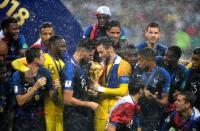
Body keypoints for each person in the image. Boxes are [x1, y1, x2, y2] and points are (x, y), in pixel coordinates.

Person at [12, 35, 67, 131]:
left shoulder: (45, 72)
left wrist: (55, 88)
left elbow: (52, 96)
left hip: (39, 119)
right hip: (22, 119)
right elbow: (20, 101)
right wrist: (35, 86)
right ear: (36, 60)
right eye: (42, 56)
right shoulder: (18, 75)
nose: (45, 58)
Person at [91, 37, 132, 131]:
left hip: (116, 114)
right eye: (98, 53)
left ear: (110, 49)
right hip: (101, 113)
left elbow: (123, 90)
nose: (100, 55)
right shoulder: (101, 65)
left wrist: (100, 89)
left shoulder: (123, 65)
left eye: (102, 52)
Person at [62, 38, 98, 131]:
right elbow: (67, 99)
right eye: (90, 55)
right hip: (73, 118)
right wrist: (89, 104)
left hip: (83, 116)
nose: (92, 58)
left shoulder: (81, 66)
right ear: (82, 52)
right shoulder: (70, 69)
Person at [132, 47, 171, 131]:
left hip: (151, 117)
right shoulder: (137, 69)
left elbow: (165, 102)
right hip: (135, 113)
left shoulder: (163, 74)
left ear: (149, 60)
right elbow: (131, 89)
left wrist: (153, 98)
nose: (138, 63)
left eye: (140, 60)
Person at [0, 40, 11, 131]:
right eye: (0, 55)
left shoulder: (7, 67)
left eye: (4, 55)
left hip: (4, 115)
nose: (2, 58)